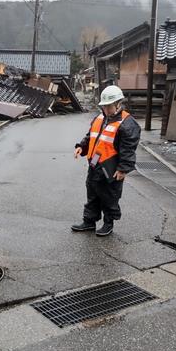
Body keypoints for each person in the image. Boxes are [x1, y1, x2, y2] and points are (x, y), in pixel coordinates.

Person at [71, 85, 141, 237]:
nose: (106, 110)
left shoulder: (127, 124)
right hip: (95, 163)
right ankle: (89, 221)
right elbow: (91, 137)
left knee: (109, 196)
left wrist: (123, 169)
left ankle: (108, 223)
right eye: (104, 107)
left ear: (118, 104)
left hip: (111, 167)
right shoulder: (100, 118)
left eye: (109, 107)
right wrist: (81, 148)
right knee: (92, 193)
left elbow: (128, 149)